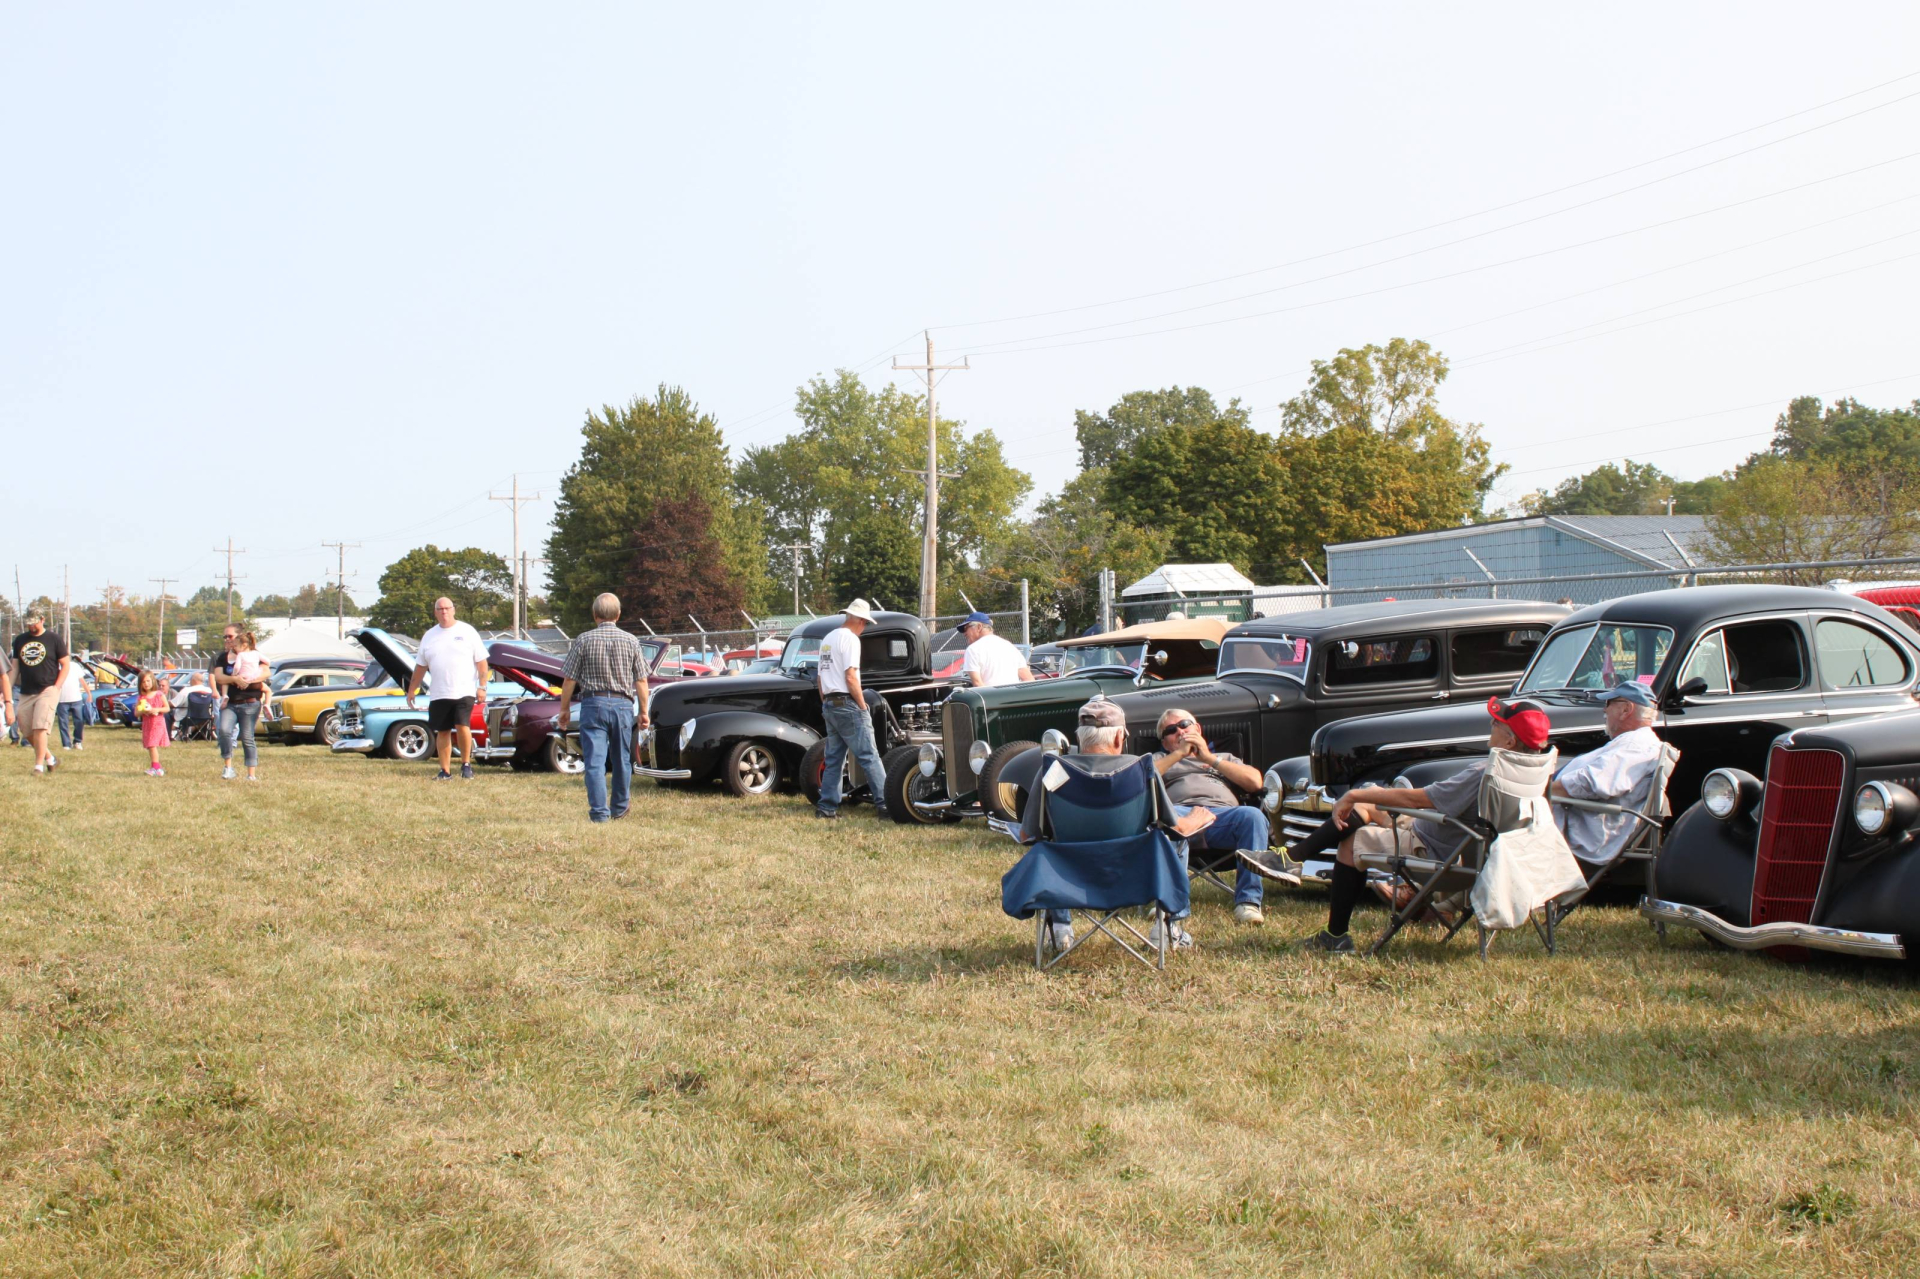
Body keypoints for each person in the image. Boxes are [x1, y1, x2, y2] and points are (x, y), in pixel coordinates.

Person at [1271, 696, 1555, 954]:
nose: (1491, 725)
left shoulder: (1484, 774)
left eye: (1498, 723)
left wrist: (1355, 793)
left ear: (1510, 742)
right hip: (1484, 858)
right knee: (1366, 806)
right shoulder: (1534, 771)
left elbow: (1414, 799)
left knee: (1351, 841)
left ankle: (1335, 936)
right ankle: (1292, 858)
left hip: (1439, 855)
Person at [1017, 697, 1218, 952]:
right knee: (1175, 843)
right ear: (1117, 738)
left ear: (1080, 738)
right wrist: (1193, 820)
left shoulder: (1053, 772)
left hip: (1067, 878)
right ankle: (1169, 931)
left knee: (1048, 844)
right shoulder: (1141, 770)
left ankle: (1060, 930)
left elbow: (1027, 834)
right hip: (1133, 876)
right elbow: (1175, 829)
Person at [1151, 706, 1290, 926]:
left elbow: (1256, 782)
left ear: (1197, 729)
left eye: (1184, 725)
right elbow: (1141, 778)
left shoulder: (1224, 758)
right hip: (1180, 814)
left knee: (1253, 816)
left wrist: (1209, 758)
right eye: (1171, 730)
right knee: (1164, 819)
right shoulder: (1159, 758)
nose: (1180, 731)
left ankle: (1248, 903)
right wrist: (1179, 755)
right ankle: (1172, 905)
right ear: (1165, 742)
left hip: (1222, 818)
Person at [1551, 682, 1669, 872]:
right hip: (1575, 822)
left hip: (1581, 838)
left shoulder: (1636, 745)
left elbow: (1593, 782)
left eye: (1609, 703)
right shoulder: (1634, 741)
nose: (1604, 710)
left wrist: (1542, 790)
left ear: (1626, 709)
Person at [557, 592, 652, 822]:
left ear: (595, 615)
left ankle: (599, 813)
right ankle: (619, 808)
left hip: (593, 704)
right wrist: (643, 711)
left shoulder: (583, 640)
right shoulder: (631, 640)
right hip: (622, 705)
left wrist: (564, 709)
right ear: (618, 615)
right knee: (622, 760)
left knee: (594, 762)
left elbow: (569, 679)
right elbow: (641, 680)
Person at [814, 598, 891, 820]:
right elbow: (850, 677)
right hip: (847, 702)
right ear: (859, 620)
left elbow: (820, 678)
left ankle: (827, 807)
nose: (864, 627)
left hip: (830, 702)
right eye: (865, 622)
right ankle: (886, 804)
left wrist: (826, 702)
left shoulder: (828, 638)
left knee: (834, 759)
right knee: (869, 756)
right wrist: (862, 705)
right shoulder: (851, 640)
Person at [406, 596, 491, 781]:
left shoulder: (467, 631)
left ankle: (466, 765)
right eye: (440, 609)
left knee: (462, 725)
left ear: (453, 610)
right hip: (439, 692)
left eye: (447, 608)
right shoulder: (429, 636)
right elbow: (420, 666)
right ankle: (445, 771)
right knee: (443, 730)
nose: (444, 612)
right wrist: (412, 689)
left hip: (464, 690)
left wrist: (482, 686)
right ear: (435, 612)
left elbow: (482, 662)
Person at [11, 610, 72, 774]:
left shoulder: (54, 639)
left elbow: (66, 664)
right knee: (26, 730)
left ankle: (38, 766)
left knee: (40, 727)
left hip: (48, 689)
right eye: (29, 623)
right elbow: (15, 667)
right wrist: (7, 690)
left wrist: (57, 686)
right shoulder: (20, 640)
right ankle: (50, 758)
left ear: (42, 619)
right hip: (26, 691)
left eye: (34, 623)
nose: (31, 626)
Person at [210, 624, 271, 781]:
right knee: (224, 731)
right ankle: (228, 767)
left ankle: (251, 774)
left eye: (230, 636)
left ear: (240, 638)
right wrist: (235, 679)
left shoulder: (254, 654)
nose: (227, 639)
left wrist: (248, 680)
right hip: (229, 703)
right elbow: (219, 677)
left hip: (250, 702)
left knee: (247, 737)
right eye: (225, 637)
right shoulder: (222, 657)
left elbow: (266, 672)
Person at [957, 611, 1033, 687]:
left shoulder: (973, 649)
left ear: (979, 627)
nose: (964, 633)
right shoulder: (1009, 646)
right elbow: (1028, 679)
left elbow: (977, 683)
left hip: (991, 694)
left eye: (966, 628)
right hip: (1013, 694)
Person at [134, 670, 171, 776]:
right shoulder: (141, 697)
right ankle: (156, 767)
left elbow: (167, 708)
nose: (146, 684)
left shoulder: (159, 694)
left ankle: (156, 767)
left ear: (153, 681)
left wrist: (156, 709)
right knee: (150, 746)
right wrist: (143, 711)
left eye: (148, 681)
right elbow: (136, 713)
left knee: (152, 744)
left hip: (157, 723)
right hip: (147, 724)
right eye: (143, 682)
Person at [56, 655, 91, 751]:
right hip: (61, 700)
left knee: (79, 721)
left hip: (76, 699)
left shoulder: (75, 666)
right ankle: (66, 744)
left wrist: (89, 693)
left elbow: (82, 681)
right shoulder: (56, 667)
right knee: (63, 723)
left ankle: (77, 741)